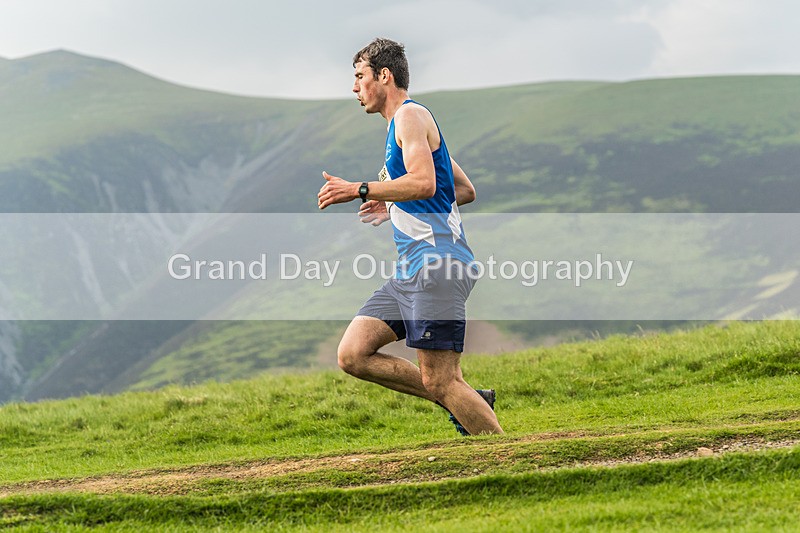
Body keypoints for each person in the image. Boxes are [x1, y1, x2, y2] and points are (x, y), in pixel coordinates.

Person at [318, 37, 503, 436]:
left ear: (384, 76)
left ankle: (510, 461)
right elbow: (463, 190)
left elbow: (423, 181)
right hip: (411, 272)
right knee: (353, 354)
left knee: (440, 380)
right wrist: (396, 206)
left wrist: (359, 189)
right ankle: (466, 396)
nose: (354, 87)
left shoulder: (410, 117)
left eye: (359, 76)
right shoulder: (402, 128)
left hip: (437, 265)